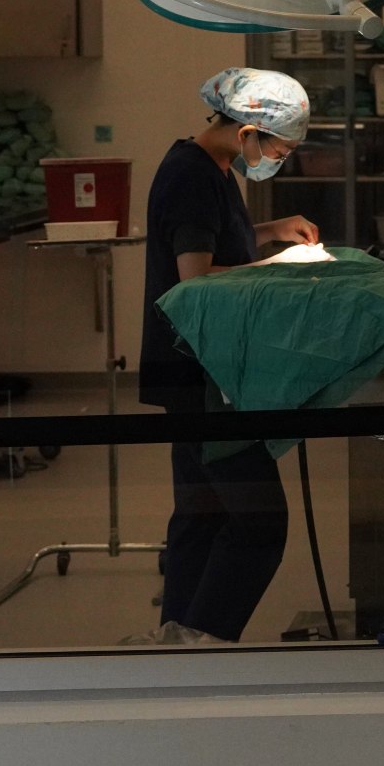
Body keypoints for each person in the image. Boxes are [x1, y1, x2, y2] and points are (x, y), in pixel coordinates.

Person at [131, 67, 321, 644]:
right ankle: (206, 640)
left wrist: (270, 230)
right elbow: (196, 277)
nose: (278, 160)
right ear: (246, 134)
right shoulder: (192, 177)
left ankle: (180, 640)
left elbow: (210, 237)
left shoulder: (205, 167)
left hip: (185, 369)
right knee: (261, 523)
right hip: (202, 375)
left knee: (201, 514)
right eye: (279, 149)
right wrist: (278, 269)